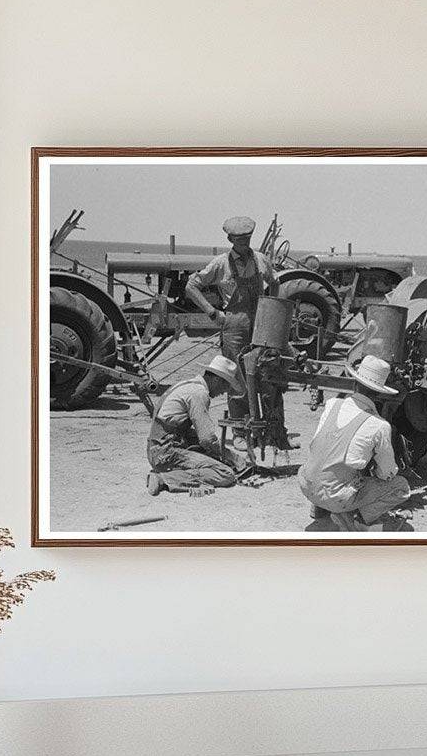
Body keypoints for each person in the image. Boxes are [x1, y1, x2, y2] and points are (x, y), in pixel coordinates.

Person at [297, 354, 411, 531]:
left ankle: (323, 510)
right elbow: (386, 473)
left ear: (355, 383)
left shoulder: (332, 405)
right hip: (335, 496)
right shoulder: (379, 425)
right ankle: (357, 521)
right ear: (381, 394)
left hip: (305, 483)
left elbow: (318, 446)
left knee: (331, 464)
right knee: (401, 487)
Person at [185, 215, 277, 422]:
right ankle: (239, 427)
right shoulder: (220, 264)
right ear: (230, 240)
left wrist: (272, 308)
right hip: (234, 325)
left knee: (265, 373)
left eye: (248, 237)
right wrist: (212, 312)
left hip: (260, 323)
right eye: (239, 238)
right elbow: (191, 286)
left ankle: (269, 428)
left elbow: (275, 282)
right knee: (236, 376)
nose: (244, 241)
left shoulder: (261, 260)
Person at [146, 355, 244, 495]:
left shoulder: (188, 384)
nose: (225, 391)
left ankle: (172, 472)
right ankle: (163, 479)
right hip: (165, 453)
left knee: (213, 456)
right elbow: (207, 439)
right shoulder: (199, 393)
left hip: (158, 448)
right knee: (225, 473)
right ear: (216, 379)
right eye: (225, 385)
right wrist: (232, 456)